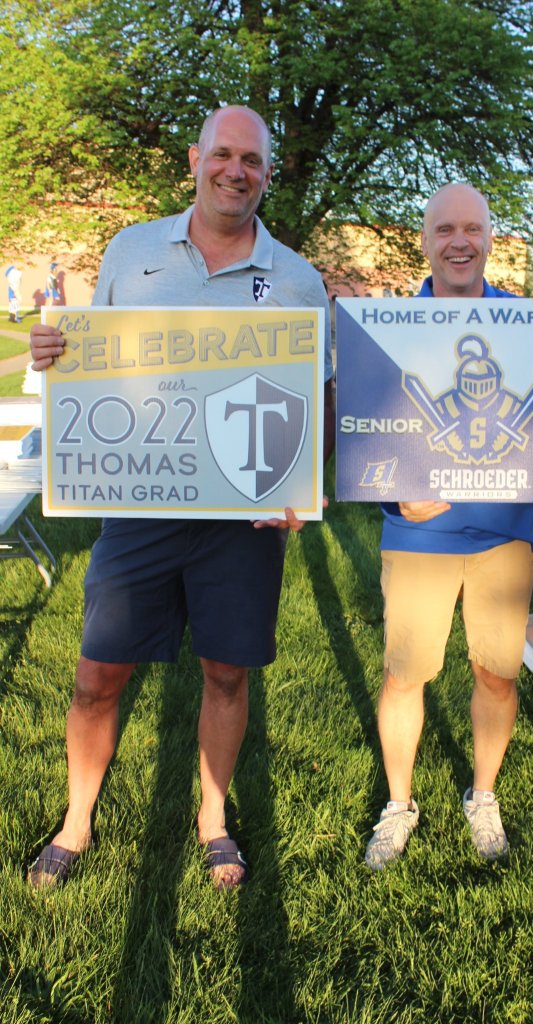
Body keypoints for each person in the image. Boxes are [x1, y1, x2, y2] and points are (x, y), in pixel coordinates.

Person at [28, 105, 335, 890]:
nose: (236, 171)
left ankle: (213, 820)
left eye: (252, 160)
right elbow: (89, 357)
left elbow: (320, 395)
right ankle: (76, 820)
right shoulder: (131, 250)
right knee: (97, 674)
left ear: (268, 173)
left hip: (243, 516)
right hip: (140, 505)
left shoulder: (297, 278)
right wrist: (54, 350)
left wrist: (301, 483)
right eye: (223, 155)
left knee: (227, 673)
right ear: (196, 161)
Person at [364, 183, 533, 870]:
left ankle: (482, 794)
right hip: (418, 535)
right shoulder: (390, 329)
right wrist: (396, 496)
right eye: (444, 229)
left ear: (489, 237)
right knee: (405, 675)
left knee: (496, 674)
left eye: (472, 229)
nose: (459, 241)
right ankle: (398, 804)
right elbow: (369, 429)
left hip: (505, 534)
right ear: (424, 241)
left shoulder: (532, 329)